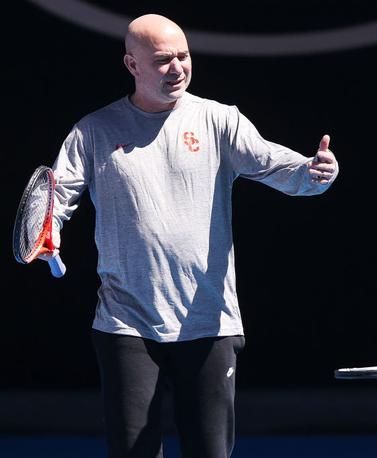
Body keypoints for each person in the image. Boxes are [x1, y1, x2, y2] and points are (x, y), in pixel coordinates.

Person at [40, 13, 338, 458]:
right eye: (163, 60)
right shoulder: (93, 131)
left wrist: (316, 173)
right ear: (131, 64)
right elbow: (56, 196)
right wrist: (49, 229)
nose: (177, 67)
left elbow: (280, 166)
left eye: (183, 56)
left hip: (209, 322)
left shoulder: (220, 120)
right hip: (126, 322)